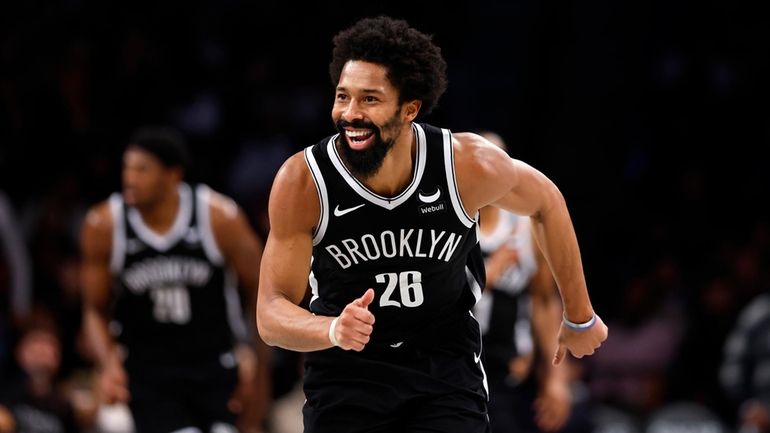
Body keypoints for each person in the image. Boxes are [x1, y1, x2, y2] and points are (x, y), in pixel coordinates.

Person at [256, 15, 608, 433]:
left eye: (370, 99)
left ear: (410, 110)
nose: (350, 113)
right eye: (342, 96)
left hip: (443, 367)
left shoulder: (464, 164)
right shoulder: (304, 182)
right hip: (347, 376)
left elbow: (547, 201)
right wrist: (332, 327)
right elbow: (270, 313)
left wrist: (580, 315)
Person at [80, 126, 269, 433]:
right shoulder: (103, 225)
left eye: (142, 170)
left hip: (214, 364)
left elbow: (264, 291)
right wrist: (108, 364)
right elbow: (93, 309)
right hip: (148, 371)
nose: (129, 179)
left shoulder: (219, 217)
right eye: (127, 168)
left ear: (172, 176)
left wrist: (255, 361)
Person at [472, 132, 577, 433]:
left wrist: (556, 378)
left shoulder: (524, 227)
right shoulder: (446, 222)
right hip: (456, 369)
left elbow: (544, 301)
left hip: (510, 372)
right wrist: (490, 273)